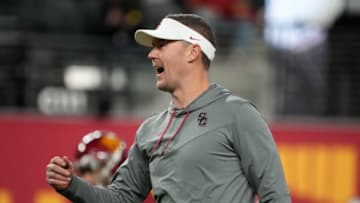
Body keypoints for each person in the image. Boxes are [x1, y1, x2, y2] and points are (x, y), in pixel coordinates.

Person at [46, 13, 290, 202]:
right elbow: (121, 199)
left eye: (161, 45)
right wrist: (71, 184)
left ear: (193, 51)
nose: (151, 54)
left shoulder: (238, 114)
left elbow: (275, 196)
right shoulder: (149, 130)